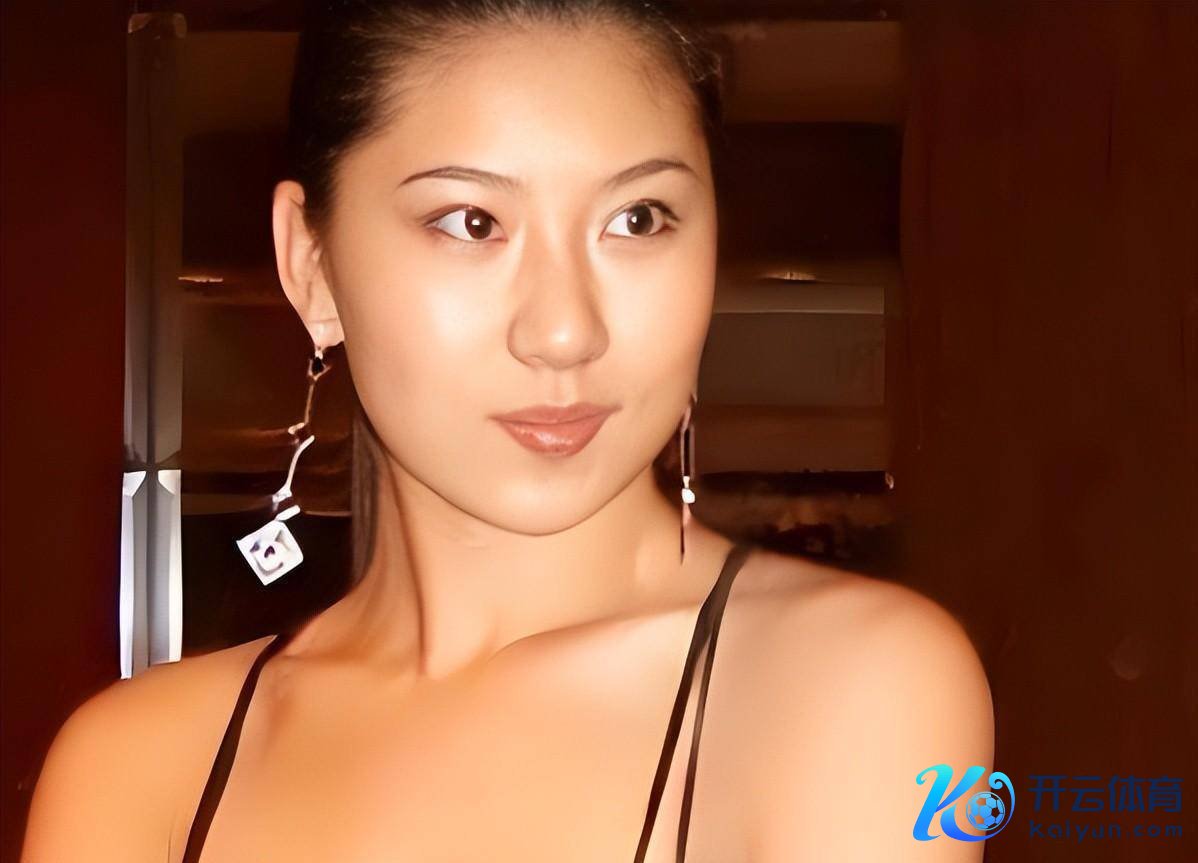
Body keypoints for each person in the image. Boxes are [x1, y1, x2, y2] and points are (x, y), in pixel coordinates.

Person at [22, 1, 993, 860]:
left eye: (638, 218)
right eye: (471, 223)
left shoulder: (846, 686)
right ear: (311, 265)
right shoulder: (137, 767)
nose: (566, 330)